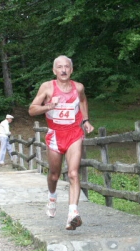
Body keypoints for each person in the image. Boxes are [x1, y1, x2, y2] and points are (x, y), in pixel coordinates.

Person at [28, 55, 94, 230]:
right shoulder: (47, 87)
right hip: (55, 135)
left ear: (71, 70)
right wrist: (48, 106)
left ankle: (73, 213)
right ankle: (52, 197)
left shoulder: (78, 87)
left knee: (73, 173)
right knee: (54, 175)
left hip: (74, 134)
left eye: (67, 67)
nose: (63, 70)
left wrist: (86, 120)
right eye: (60, 67)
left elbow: (83, 100)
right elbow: (32, 110)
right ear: (54, 70)